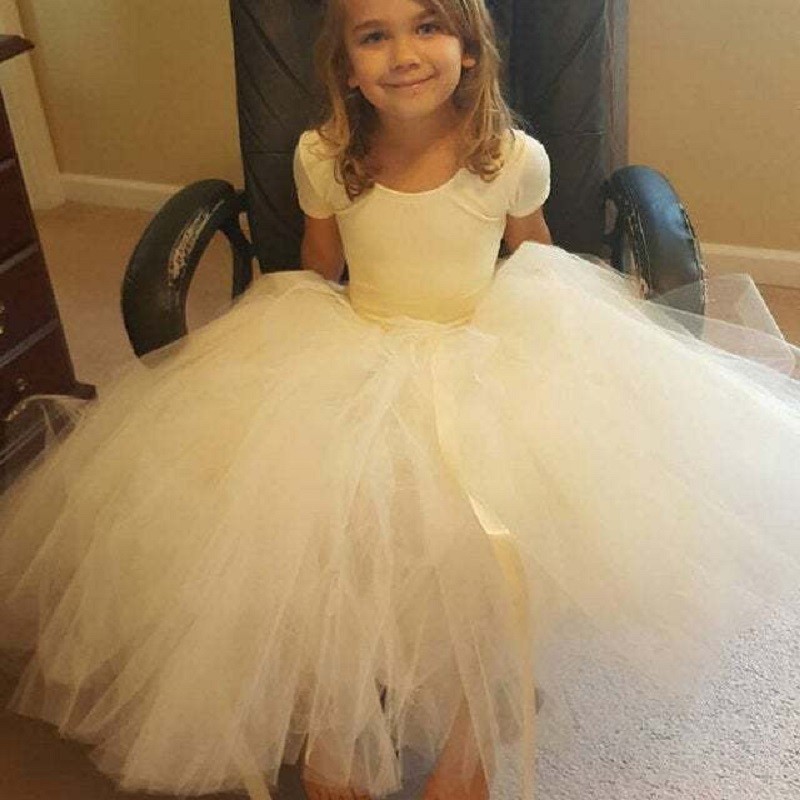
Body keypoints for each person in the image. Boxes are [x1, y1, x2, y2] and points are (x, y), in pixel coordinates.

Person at [1, 0, 799, 799]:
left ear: (471, 50)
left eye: (427, 27)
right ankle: (337, 714)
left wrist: (586, 333)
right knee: (319, 524)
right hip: (362, 338)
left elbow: (535, 257)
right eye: (374, 36)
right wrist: (273, 337)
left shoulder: (511, 156)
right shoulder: (324, 156)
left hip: (481, 345)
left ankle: (473, 730)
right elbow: (319, 267)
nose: (404, 53)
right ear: (347, 67)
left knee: (491, 530)